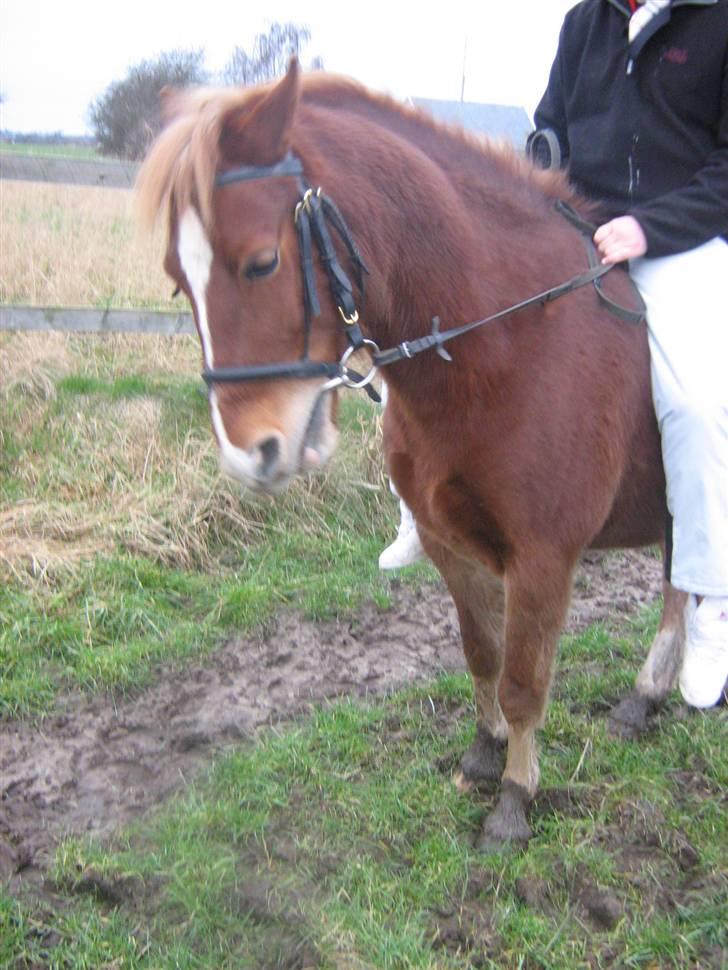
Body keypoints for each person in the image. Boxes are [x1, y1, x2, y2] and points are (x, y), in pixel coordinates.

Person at [526, 0, 728, 707]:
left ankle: (710, 602)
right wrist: (540, 178)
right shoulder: (585, 21)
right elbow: (552, 126)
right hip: (582, 229)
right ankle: (422, 509)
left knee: (697, 405)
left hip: (682, 240)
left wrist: (649, 228)